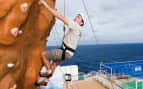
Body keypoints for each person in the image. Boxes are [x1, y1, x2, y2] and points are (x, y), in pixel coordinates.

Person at [40, 0, 87, 77]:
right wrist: (56, 12)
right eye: (77, 16)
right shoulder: (78, 29)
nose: (76, 17)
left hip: (64, 52)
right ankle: (45, 79)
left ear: (81, 23)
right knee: (54, 64)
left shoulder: (76, 26)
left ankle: (48, 72)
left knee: (43, 55)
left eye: (78, 17)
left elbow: (61, 18)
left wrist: (48, 7)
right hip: (68, 53)